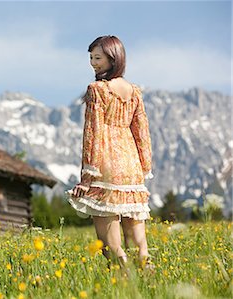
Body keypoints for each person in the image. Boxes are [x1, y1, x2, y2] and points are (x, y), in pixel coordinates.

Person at [67, 35, 154, 269]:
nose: (93, 63)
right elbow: (142, 133)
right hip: (131, 166)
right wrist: (144, 168)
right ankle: (148, 278)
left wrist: (87, 178)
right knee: (137, 240)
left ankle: (124, 280)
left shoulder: (97, 90)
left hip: (105, 165)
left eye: (98, 58)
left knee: (108, 243)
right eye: (91, 58)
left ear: (113, 58)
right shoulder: (134, 91)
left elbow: (92, 133)